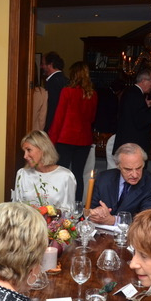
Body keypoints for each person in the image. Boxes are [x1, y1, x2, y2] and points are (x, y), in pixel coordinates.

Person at [48, 61, 98, 201]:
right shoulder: (92, 94)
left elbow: (59, 117)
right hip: (84, 139)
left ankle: (60, 203)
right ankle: (77, 205)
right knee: (78, 174)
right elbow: (92, 118)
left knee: (61, 173)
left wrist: (51, 140)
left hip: (66, 138)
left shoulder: (67, 91)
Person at [88, 143, 151, 225]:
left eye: (138, 168)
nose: (135, 175)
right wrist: (97, 211)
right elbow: (91, 208)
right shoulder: (104, 178)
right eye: (128, 169)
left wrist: (114, 221)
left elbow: (147, 221)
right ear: (118, 165)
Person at [12, 130, 76, 210]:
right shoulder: (22, 174)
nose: (25, 156)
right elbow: (17, 207)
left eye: (28, 150)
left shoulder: (65, 176)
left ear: (43, 149)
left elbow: (69, 210)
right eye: (24, 151)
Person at [112, 68, 151, 155]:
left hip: (128, 144)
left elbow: (133, 113)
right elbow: (141, 121)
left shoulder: (131, 92)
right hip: (132, 146)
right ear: (144, 81)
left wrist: (146, 105)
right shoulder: (136, 95)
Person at [41, 51, 68, 132]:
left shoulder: (52, 82)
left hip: (53, 126)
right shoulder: (66, 80)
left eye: (43, 64)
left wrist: (47, 128)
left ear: (50, 65)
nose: (42, 66)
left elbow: (51, 107)